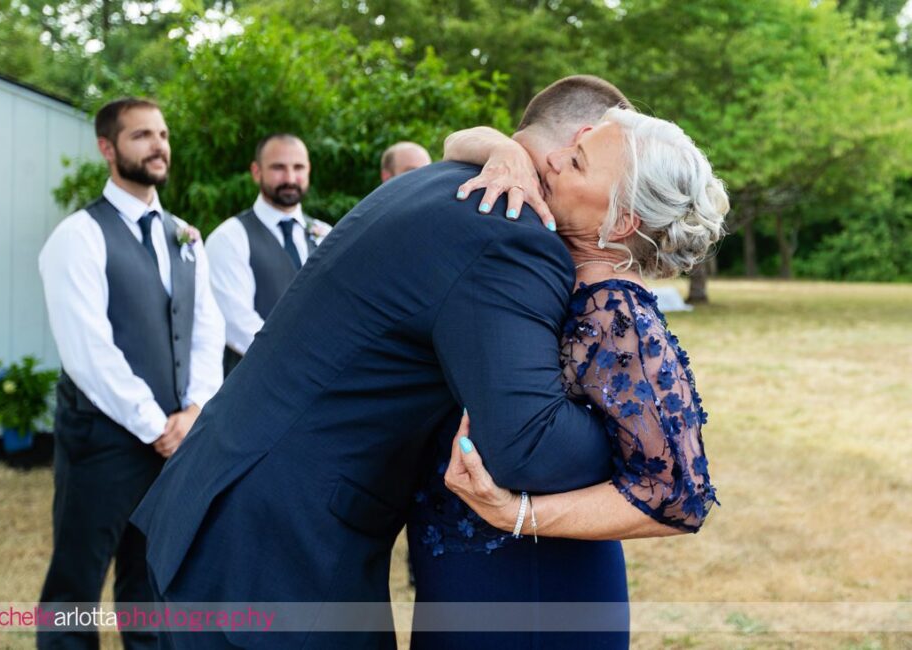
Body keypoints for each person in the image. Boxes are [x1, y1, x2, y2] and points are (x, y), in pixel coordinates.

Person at [129, 77, 628, 650]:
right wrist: (641, 431)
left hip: (224, 505)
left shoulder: (435, 184)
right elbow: (530, 447)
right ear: (585, 141)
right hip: (278, 553)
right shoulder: (508, 226)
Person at [407, 93, 727, 649]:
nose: (552, 160)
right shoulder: (546, 263)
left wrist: (519, 514)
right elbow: (457, 143)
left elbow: (678, 494)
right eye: (570, 148)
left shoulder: (617, 317)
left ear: (620, 218)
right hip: (456, 569)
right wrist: (504, 149)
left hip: (538, 592)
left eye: (577, 162)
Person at [36, 97, 225, 649]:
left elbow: (205, 333)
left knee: (152, 580)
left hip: (177, 439)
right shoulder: (77, 236)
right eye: (141, 135)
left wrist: (193, 414)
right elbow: (87, 350)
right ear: (107, 148)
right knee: (76, 584)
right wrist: (155, 425)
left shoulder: (186, 235)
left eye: (162, 134)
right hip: (103, 441)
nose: (158, 145)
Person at [204, 134, 332, 375]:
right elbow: (236, 323)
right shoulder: (229, 237)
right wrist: (300, 361)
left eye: (298, 168)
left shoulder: (327, 234)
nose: (290, 178)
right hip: (255, 383)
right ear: (256, 171)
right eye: (278, 168)